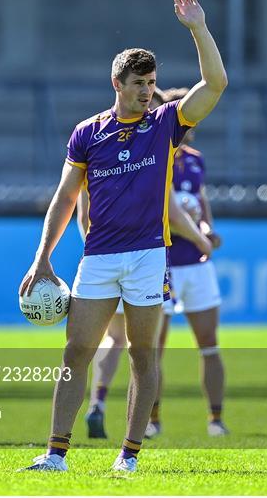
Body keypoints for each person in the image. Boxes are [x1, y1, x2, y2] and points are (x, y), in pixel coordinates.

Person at [19, 0, 227, 472]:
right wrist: (42, 256)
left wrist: (198, 27)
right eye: (138, 83)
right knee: (77, 352)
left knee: (142, 356)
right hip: (98, 257)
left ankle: (128, 458)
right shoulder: (88, 133)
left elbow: (215, 85)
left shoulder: (164, 124)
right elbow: (66, 197)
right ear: (117, 83)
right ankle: (55, 454)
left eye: (151, 83)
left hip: (149, 255)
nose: (147, 91)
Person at [81, 89, 213, 439]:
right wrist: (201, 239)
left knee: (113, 340)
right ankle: (139, 431)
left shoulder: (99, 137)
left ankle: (99, 403)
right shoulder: (154, 149)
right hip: (144, 257)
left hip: (103, 255)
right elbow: (169, 208)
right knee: (144, 350)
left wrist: (92, 249)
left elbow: (81, 207)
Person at [144, 87, 228, 438]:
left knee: (209, 343)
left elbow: (200, 203)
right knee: (152, 349)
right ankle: (153, 419)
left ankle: (215, 419)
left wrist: (208, 230)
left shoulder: (195, 159)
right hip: (161, 262)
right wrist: (198, 234)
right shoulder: (151, 160)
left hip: (196, 263)